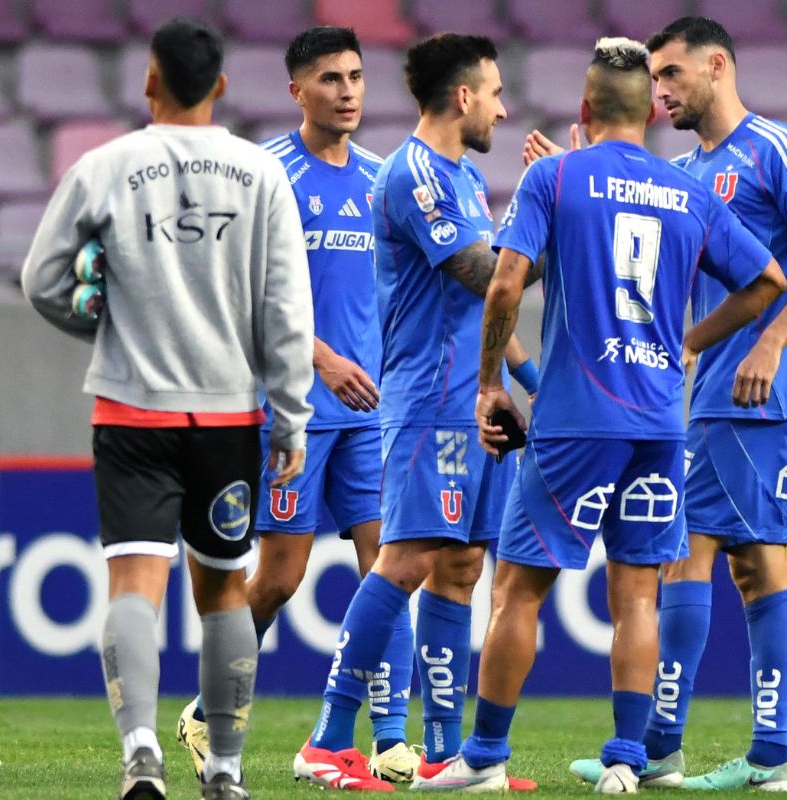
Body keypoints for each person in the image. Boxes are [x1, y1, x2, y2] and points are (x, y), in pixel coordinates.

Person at [408, 36, 787, 795]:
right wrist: (688, 343)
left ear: (583, 110)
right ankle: (624, 759)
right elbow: (768, 279)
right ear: (651, 111)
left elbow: (507, 284)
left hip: (577, 417)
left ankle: (482, 759)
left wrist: (491, 386)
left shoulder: (554, 176)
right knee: (638, 592)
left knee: (520, 590)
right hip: (658, 423)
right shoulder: (690, 192)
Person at [22, 17, 314, 800]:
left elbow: (41, 279)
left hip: (131, 411)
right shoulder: (262, 173)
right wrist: (291, 415)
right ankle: (221, 768)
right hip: (227, 415)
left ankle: (142, 751)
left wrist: (99, 319)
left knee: (133, 587)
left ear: (149, 80)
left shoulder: (105, 167)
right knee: (223, 590)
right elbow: (287, 309)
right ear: (220, 85)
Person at [559, 17, 787, 792]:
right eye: (653, 80)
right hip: (707, 397)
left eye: (672, 75)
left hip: (764, 394)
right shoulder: (688, 173)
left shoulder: (777, 150)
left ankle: (736, 753)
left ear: (717, 65)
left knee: (735, 560)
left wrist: (772, 342)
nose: (660, 92)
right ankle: (704, 749)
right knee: (710, 558)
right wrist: (577, 168)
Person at [290, 32, 541, 792]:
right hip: (429, 401)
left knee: (461, 568)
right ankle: (328, 738)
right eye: (494, 91)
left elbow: (491, 306)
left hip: (475, 400)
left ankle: (442, 756)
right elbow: (480, 273)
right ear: (463, 97)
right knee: (406, 563)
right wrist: (559, 218)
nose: (502, 106)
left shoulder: (463, 178)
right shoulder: (415, 175)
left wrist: (535, 380)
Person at [174, 26, 421, 786]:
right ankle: (205, 709)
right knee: (279, 578)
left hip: (373, 411)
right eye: (328, 80)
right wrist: (325, 360)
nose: (346, 91)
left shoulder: (382, 179)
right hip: (295, 410)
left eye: (354, 77)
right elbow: (243, 293)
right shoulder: (267, 175)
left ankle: (388, 740)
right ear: (296, 92)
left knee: (391, 566)